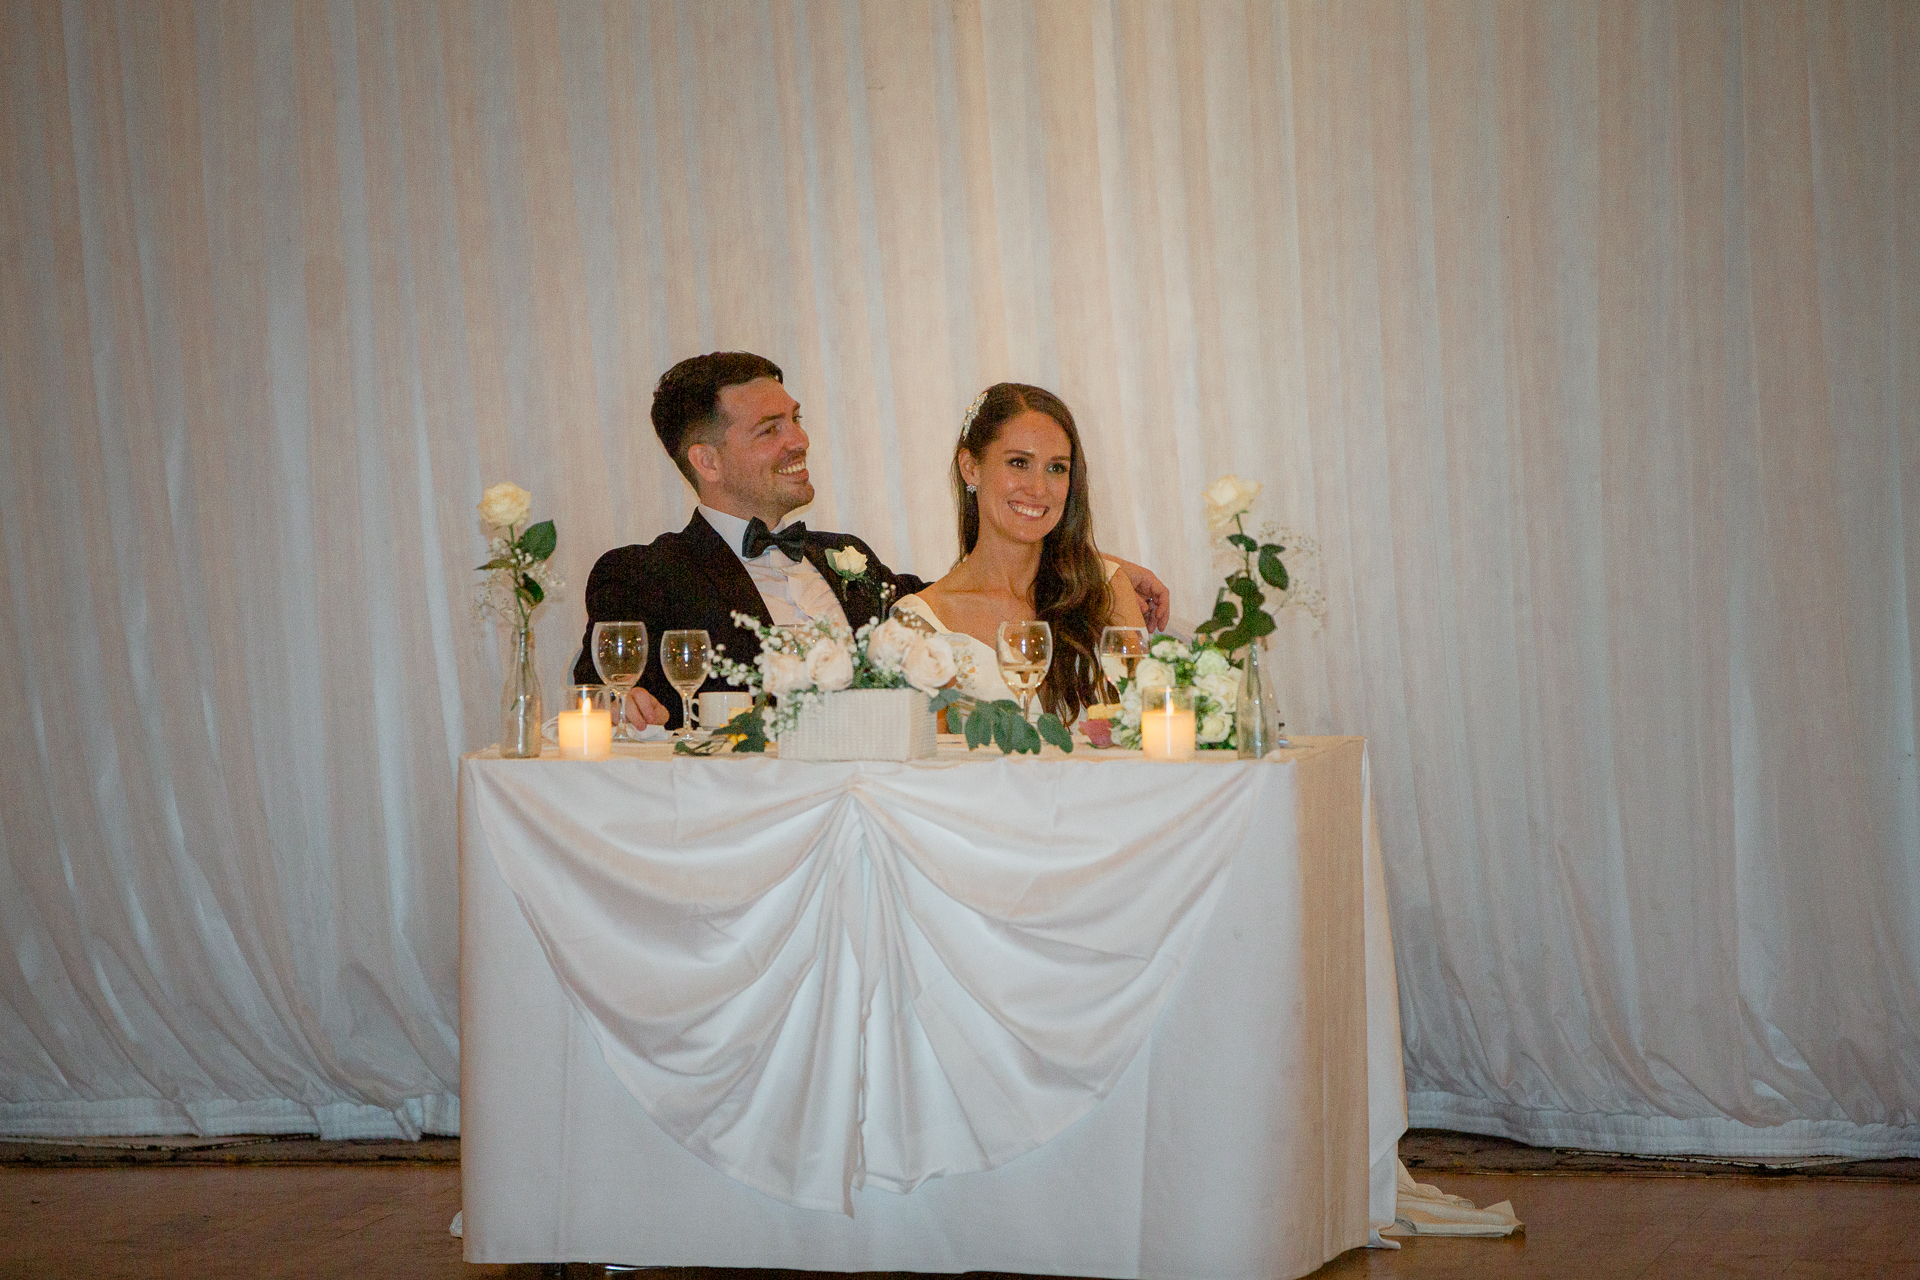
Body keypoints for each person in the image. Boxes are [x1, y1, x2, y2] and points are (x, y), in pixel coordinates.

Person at [577, 353, 1168, 729]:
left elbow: (966, 597)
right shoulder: (645, 575)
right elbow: (603, 685)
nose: (799, 440)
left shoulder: (846, 557)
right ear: (706, 460)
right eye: (770, 429)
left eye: (797, 419)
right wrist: (613, 703)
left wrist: (1103, 565)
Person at [893, 383, 1146, 723]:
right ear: (971, 467)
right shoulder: (920, 623)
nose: (1039, 489)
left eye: (1056, 468)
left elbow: (1147, 727)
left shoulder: (1107, 589)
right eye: (1018, 463)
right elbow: (932, 767)